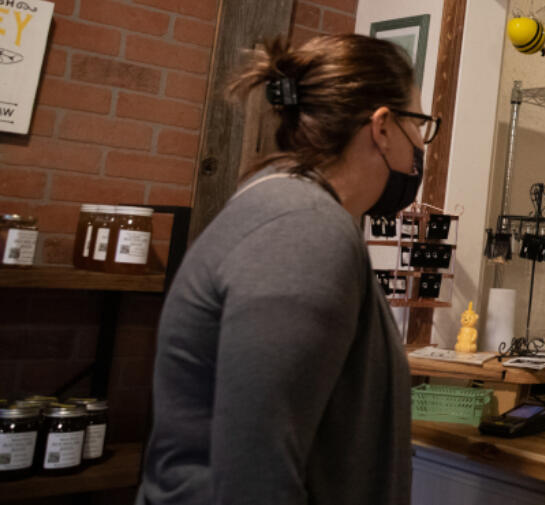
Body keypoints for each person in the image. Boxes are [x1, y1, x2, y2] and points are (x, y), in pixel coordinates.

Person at [137, 34, 439, 505]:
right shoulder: (304, 229)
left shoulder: (286, 206)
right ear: (381, 127)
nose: (421, 144)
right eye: (418, 124)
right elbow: (256, 476)